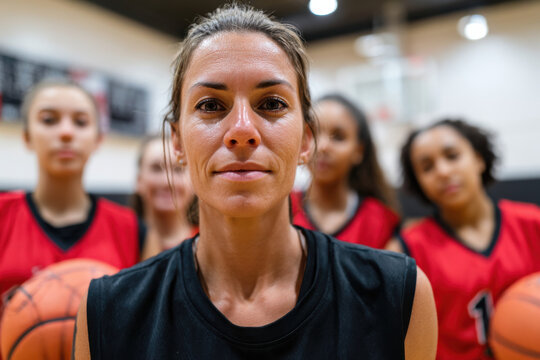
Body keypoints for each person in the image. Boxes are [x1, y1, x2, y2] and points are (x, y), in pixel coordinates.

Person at [74, 5, 437, 359]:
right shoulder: (107, 312)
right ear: (178, 141)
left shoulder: (398, 294)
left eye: (272, 103)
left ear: (306, 140)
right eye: (212, 106)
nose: (243, 130)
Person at [386, 119, 540, 359]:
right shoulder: (405, 251)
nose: (443, 171)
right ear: (419, 184)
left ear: (478, 158)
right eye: (427, 167)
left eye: (452, 155)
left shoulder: (533, 223)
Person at [0, 80, 145, 319]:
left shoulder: (130, 227)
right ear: (26, 136)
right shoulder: (4, 215)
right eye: (49, 120)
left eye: (80, 122)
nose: (66, 132)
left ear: (98, 139)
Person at [291, 94, 399, 249]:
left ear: (359, 151)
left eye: (338, 137)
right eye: (313, 133)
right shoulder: (280, 207)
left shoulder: (380, 220)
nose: (323, 146)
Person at [133, 135, 197, 260]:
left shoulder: (209, 244)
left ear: (193, 183)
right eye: (157, 168)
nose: (167, 182)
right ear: (139, 181)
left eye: (178, 170)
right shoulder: (119, 241)